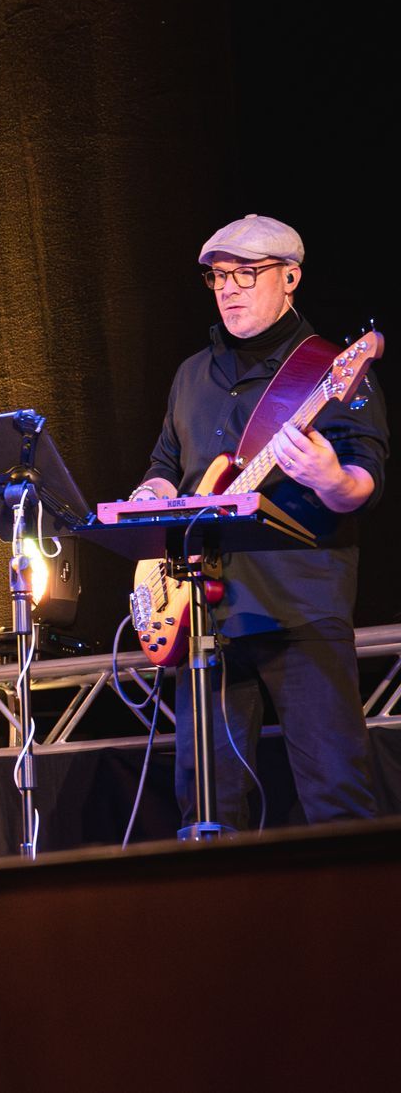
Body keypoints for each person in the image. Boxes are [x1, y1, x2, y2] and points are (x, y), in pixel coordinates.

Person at [131, 215, 387, 831]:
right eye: (219, 276)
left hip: (300, 605)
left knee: (337, 798)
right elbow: (167, 466)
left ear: (290, 278)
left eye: (247, 273)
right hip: (205, 617)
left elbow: (364, 478)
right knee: (207, 809)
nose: (229, 288)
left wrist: (332, 479)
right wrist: (150, 493)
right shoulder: (193, 374)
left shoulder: (332, 369)